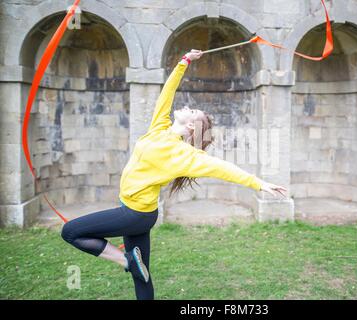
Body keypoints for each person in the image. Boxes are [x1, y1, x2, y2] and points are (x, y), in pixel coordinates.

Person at [61, 49, 287, 300]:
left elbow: (224, 169)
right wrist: (184, 62)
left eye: (192, 112)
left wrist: (258, 183)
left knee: (71, 232)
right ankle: (133, 264)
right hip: (136, 211)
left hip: (135, 214)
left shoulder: (187, 157)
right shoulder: (159, 127)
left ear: (191, 126)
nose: (187, 107)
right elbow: (166, 94)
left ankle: (126, 261)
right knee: (142, 275)